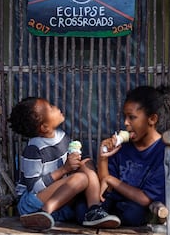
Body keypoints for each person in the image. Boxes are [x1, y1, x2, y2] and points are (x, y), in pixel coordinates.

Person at [8, 97, 121, 230]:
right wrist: (64, 170)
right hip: (31, 205)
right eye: (50, 108)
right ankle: (44, 212)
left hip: (58, 203)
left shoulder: (61, 136)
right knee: (81, 178)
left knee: (87, 162)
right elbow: (34, 187)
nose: (55, 107)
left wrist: (77, 162)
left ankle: (94, 210)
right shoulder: (34, 148)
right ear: (44, 127)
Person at [98, 85, 170, 226]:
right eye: (125, 117)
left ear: (152, 119)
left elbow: (145, 199)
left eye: (132, 117)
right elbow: (105, 185)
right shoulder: (123, 147)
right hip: (114, 203)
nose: (125, 123)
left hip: (137, 208)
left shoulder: (162, 152)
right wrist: (103, 157)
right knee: (82, 209)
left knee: (132, 213)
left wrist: (111, 180)